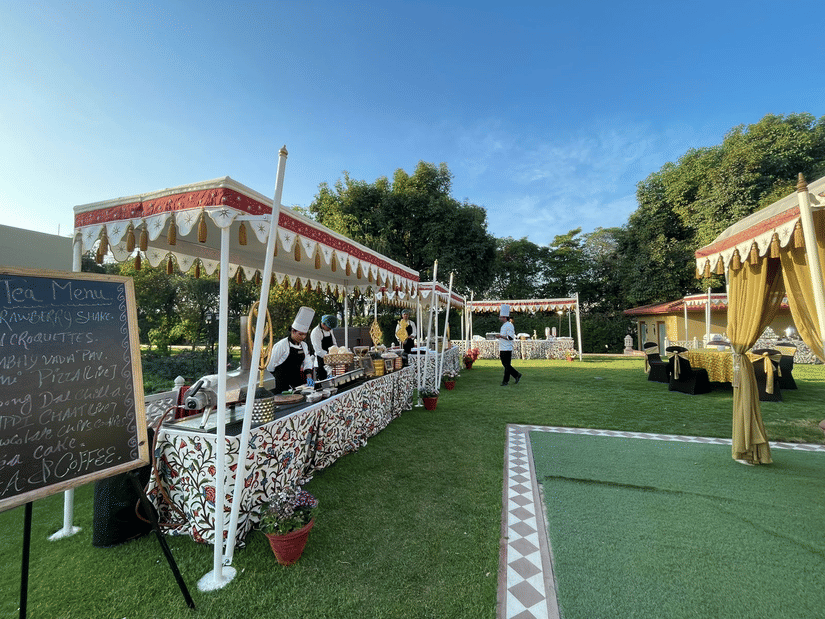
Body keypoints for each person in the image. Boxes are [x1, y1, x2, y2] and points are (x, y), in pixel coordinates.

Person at [267, 306, 315, 392]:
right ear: (293, 331)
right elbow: (270, 366)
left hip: (296, 384)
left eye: (305, 334)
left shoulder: (304, 345)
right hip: (281, 385)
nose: (303, 337)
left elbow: (307, 362)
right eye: (300, 334)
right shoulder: (281, 345)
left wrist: (309, 377)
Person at [495, 304, 522, 386]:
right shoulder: (504, 325)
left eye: (501, 317)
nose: (499, 318)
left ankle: (506, 381)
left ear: (504, 317)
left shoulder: (509, 325)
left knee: (506, 365)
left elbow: (510, 337)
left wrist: (500, 336)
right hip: (503, 347)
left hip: (507, 348)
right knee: (505, 364)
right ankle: (516, 375)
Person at [310, 314, 338, 381]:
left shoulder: (330, 330)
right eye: (329, 327)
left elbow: (334, 343)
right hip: (321, 363)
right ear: (323, 324)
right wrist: (330, 355)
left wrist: (337, 351)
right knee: (324, 384)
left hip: (332, 362)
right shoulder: (315, 332)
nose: (330, 329)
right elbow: (318, 351)